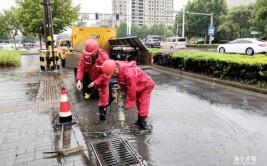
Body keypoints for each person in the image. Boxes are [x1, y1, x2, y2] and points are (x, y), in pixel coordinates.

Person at [101, 60, 155, 135]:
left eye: (111, 74)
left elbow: (131, 90)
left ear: (115, 70)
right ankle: (139, 121)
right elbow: (125, 85)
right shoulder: (116, 68)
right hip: (138, 85)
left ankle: (143, 127)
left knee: (142, 104)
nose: (112, 76)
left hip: (146, 85)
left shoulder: (128, 73)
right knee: (138, 103)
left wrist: (128, 104)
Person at [76, 39, 111, 124]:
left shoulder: (104, 57)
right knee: (97, 96)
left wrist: (96, 82)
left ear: (96, 51)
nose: (88, 55)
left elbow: (106, 74)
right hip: (93, 79)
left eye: (90, 54)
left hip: (103, 81)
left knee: (103, 98)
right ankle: (106, 105)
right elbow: (81, 67)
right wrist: (79, 80)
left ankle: (102, 118)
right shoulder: (86, 56)